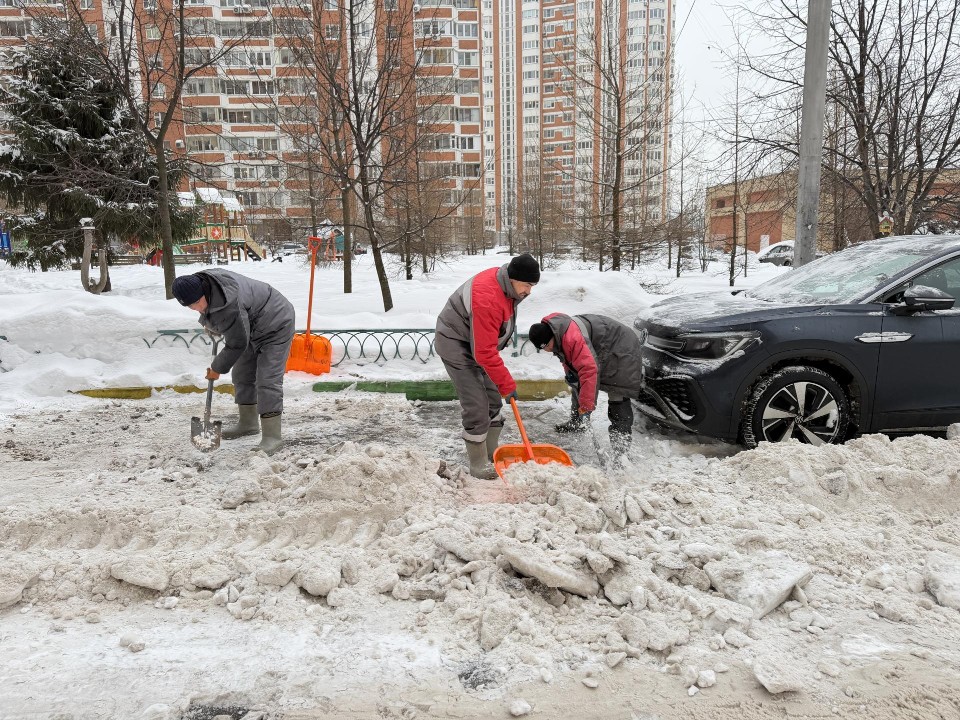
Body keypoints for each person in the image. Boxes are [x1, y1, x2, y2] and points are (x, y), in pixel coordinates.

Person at [435, 253, 540, 479]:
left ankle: (491, 453)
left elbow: (485, 345)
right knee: (477, 404)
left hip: (477, 343)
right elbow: (482, 352)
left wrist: (500, 385)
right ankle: (478, 464)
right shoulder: (488, 297)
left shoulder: (507, 287)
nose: (529, 291)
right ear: (513, 278)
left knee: (493, 399)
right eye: (527, 285)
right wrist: (506, 383)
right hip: (455, 341)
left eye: (533, 286)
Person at [172, 269, 296, 455]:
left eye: (197, 302)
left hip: (276, 323)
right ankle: (248, 423)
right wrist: (214, 324)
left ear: (203, 291)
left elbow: (237, 342)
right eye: (190, 306)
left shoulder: (227, 302)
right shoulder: (202, 283)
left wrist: (216, 368)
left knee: (267, 379)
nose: (196, 308)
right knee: (242, 374)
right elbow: (224, 316)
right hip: (253, 324)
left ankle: (272, 437)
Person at [527, 313, 643, 457]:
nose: (547, 350)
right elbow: (570, 359)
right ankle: (577, 422)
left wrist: (587, 405)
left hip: (621, 349)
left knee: (617, 393)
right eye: (543, 348)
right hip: (603, 348)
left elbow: (589, 370)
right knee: (577, 382)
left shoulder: (571, 338)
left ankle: (621, 447)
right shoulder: (558, 334)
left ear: (551, 337)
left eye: (547, 346)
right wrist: (570, 373)